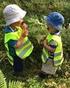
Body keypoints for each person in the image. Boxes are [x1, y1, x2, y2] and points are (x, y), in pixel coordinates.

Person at [3, 4, 33, 76]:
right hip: (15, 54)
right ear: (13, 21)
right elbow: (16, 46)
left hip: (20, 51)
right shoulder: (9, 34)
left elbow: (21, 30)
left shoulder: (15, 26)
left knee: (21, 60)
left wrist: (24, 27)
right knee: (18, 63)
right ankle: (18, 73)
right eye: (20, 19)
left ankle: (20, 68)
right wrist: (22, 36)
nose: (22, 20)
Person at [39, 12, 64, 78]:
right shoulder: (56, 33)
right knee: (55, 66)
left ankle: (44, 75)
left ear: (53, 28)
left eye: (48, 27)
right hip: (56, 58)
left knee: (47, 67)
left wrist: (45, 45)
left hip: (51, 59)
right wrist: (45, 38)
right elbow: (49, 36)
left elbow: (52, 49)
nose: (47, 27)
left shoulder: (54, 40)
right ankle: (57, 71)